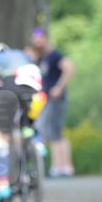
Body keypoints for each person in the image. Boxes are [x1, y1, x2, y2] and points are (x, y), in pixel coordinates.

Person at [0, 43, 45, 202]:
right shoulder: (22, 55)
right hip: (35, 84)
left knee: (0, 135)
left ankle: (2, 183)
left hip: (11, 84)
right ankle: (36, 141)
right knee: (28, 121)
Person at [30, 27, 75, 177]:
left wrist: (59, 87)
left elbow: (69, 68)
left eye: (40, 39)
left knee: (55, 132)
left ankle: (61, 167)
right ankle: (62, 167)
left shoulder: (55, 55)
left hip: (56, 99)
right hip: (45, 100)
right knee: (52, 132)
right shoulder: (42, 58)